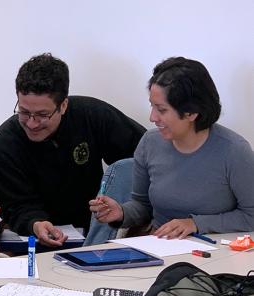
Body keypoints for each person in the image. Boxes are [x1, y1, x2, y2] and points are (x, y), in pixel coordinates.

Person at [0, 53, 146, 247]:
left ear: (63, 105)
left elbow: (145, 155)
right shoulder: (6, 142)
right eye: (24, 112)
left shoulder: (91, 116)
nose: (31, 123)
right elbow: (16, 206)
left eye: (42, 115)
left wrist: (130, 209)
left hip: (93, 233)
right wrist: (35, 224)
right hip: (35, 238)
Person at [89, 57, 254, 239]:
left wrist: (195, 224)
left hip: (214, 253)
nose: (152, 118)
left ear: (191, 112)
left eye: (162, 110)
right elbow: (142, 205)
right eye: (152, 106)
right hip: (160, 248)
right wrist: (121, 212)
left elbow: (251, 216)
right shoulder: (149, 143)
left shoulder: (234, 151)